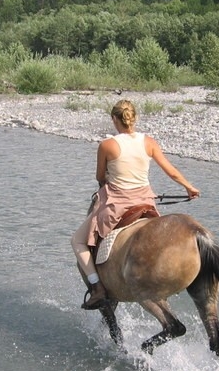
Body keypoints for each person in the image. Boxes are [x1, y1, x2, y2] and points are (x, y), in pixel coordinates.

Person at [71, 99, 200, 310]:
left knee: (77, 241)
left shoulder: (107, 145)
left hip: (117, 205)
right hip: (146, 204)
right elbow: (171, 171)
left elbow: (100, 177)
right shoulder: (148, 142)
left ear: (114, 119)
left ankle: (97, 288)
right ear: (135, 118)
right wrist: (189, 187)